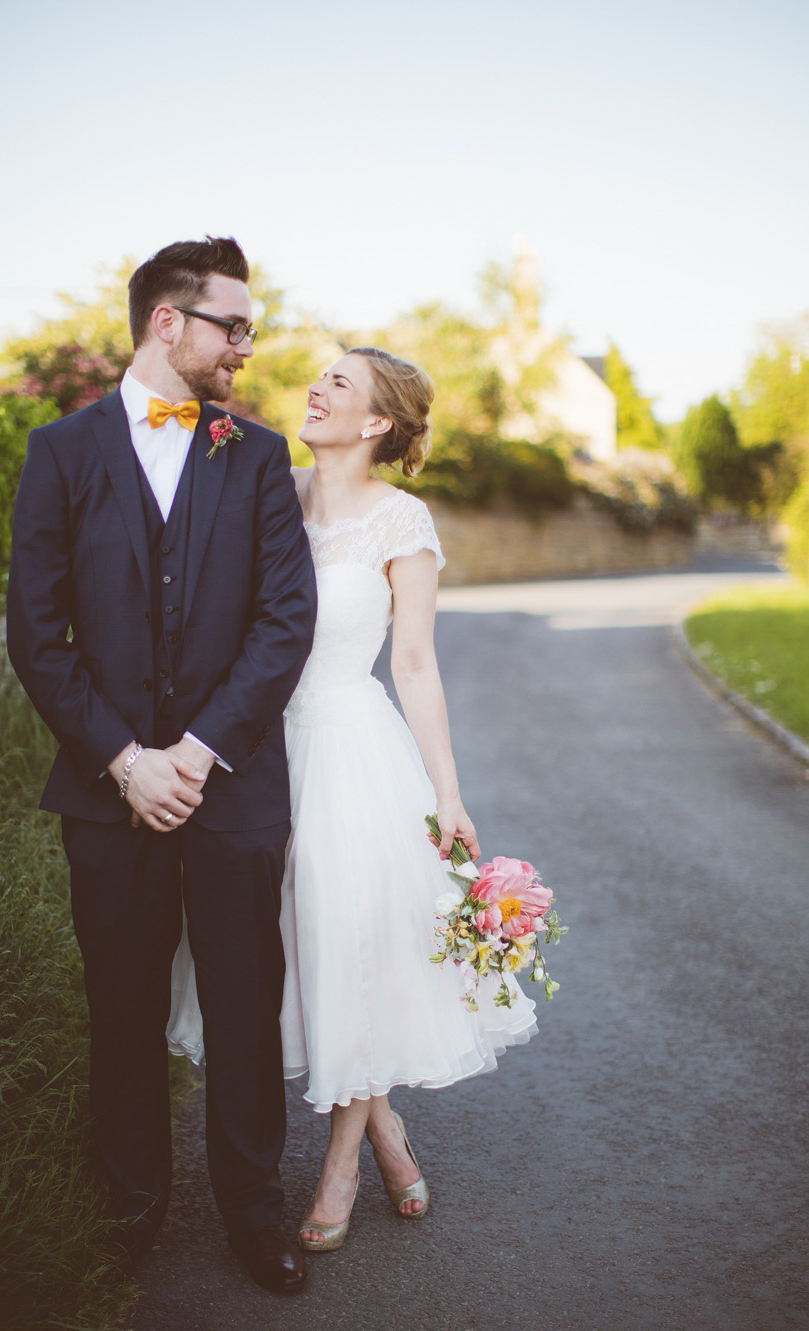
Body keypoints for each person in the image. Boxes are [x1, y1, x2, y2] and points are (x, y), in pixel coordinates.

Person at [167, 346, 537, 1253]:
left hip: (347, 750)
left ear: (377, 423)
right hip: (255, 750)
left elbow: (413, 662)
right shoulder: (270, 488)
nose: (317, 387)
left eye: (340, 383)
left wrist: (447, 794)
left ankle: (339, 1166)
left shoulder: (400, 520)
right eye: (319, 376)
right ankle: (386, 1130)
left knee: (351, 950)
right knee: (287, 953)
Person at [7, 237, 317, 1295]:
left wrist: (192, 753)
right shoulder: (60, 453)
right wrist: (123, 762)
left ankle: (254, 1215)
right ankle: (130, 1205)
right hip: (107, 799)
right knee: (123, 1006)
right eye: (234, 325)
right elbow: (35, 634)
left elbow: (287, 623)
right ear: (166, 323)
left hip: (233, 790)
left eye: (250, 328)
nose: (248, 344)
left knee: (243, 1003)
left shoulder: (260, 454)